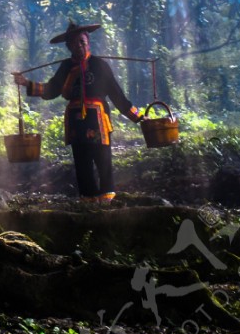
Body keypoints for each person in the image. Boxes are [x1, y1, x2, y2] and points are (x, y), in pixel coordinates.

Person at [12, 20, 142, 203]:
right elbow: (52, 90)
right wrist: (26, 83)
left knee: (103, 160)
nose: (79, 46)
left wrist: (139, 117)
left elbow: (117, 95)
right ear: (69, 47)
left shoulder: (99, 65)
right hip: (75, 121)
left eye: (82, 41)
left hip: (97, 119)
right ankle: (88, 200)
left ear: (88, 41)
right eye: (74, 43)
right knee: (82, 161)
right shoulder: (66, 67)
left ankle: (107, 200)